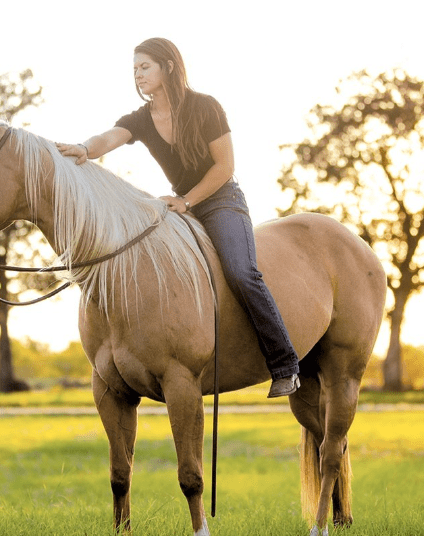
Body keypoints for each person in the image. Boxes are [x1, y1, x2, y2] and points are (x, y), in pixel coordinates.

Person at [57, 37, 300, 398]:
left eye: (144, 67)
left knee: (241, 271)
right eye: (134, 69)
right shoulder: (141, 119)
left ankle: (285, 364)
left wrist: (187, 200)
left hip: (220, 201)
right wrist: (83, 149)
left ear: (168, 66)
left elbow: (225, 166)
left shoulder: (205, 107)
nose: (138, 75)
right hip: (177, 206)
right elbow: (108, 138)